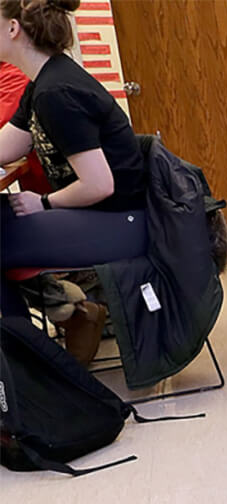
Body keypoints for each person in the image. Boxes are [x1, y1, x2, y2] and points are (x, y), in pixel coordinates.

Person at [0, 0, 142, 364]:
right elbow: (6, 146)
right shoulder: (43, 82)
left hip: (120, 222)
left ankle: (33, 371)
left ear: (13, 28)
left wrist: (43, 203)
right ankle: (36, 361)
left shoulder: (56, 92)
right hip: (106, 214)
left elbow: (99, 184)